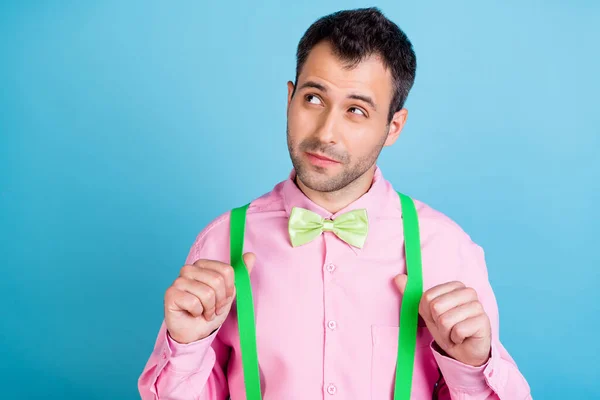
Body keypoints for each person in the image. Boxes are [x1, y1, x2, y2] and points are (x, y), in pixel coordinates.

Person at [138, 7, 531, 399]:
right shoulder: (221, 243)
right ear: (290, 98)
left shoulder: (447, 249)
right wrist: (185, 347)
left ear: (393, 127)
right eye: (313, 98)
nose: (326, 132)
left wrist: (472, 370)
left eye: (356, 110)